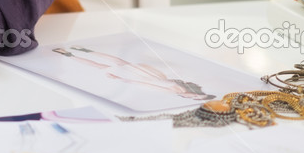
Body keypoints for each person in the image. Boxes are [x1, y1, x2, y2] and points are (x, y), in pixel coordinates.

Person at [51, 46, 216, 101]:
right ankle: (77, 53)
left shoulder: (179, 89)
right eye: (197, 97)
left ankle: (74, 54)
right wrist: (124, 80)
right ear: (197, 93)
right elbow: (146, 84)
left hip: (151, 74)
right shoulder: (176, 90)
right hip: (145, 76)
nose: (193, 98)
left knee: (108, 65)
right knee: (111, 64)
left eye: (196, 99)